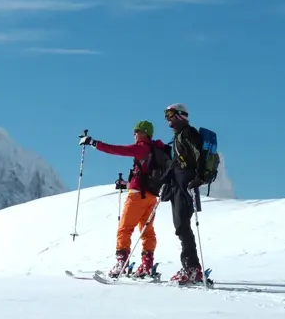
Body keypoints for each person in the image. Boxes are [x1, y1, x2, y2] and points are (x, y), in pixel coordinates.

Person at [79, 120, 168, 279]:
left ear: (144, 133)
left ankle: (121, 263)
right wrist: (127, 184)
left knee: (124, 229)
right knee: (147, 231)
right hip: (152, 196)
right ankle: (147, 265)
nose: (134, 133)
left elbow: (117, 150)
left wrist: (94, 143)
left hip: (137, 195)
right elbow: (146, 175)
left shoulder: (142, 147)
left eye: (136, 130)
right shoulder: (156, 150)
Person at [161, 103, 205, 285]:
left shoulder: (188, 133)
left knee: (182, 225)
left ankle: (192, 268)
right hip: (179, 184)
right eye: (166, 114)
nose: (167, 118)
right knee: (180, 225)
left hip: (186, 183)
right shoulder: (179, 136)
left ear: (180, 115)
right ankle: (191, 267)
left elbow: (200, 156)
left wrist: (199, 178)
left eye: (170, 114)